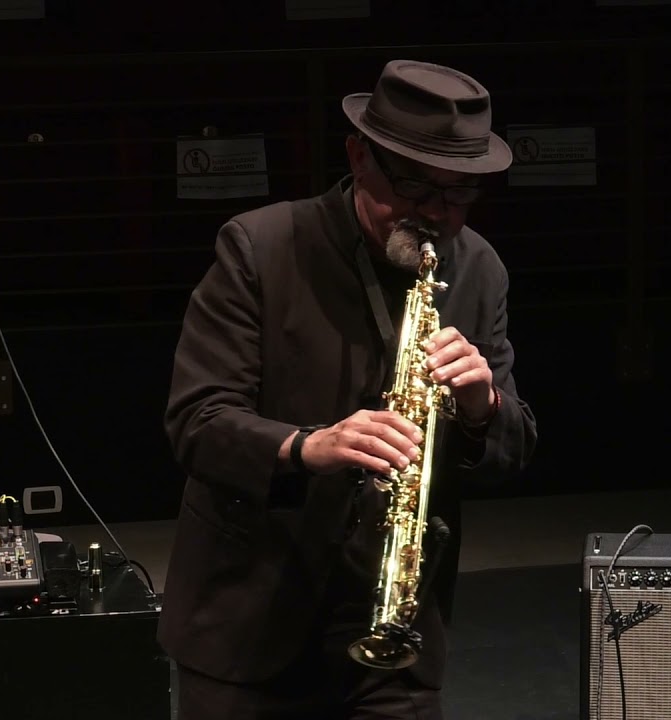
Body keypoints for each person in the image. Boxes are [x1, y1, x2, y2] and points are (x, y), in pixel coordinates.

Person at [158, 59, 538, 720]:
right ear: (360, 158)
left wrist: (484, 406)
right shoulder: (260, 247)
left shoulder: (480, 268)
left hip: (396, 628)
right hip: (249, 624)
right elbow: (198, 422)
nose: (437, 215)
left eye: (459, 195)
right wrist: (309, 447)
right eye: (416, 188)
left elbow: (514, 450)